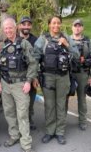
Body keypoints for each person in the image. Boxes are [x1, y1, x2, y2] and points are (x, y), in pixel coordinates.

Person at [0, 18, 38, 152]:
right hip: (5, 83)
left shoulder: (24, 44)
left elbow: (33, 64)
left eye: (10, 28)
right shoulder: (2, 45)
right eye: (5, 28)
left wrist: (28, 81)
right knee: (9, 112)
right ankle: (14, 135)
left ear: (16, 28)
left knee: (22, 115)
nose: (8, 30)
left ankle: (26, 145)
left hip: (20, 84)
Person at [34, 15, 79, 145]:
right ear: (49, 25)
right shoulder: (43, 39)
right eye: (53, 23)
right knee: (49, 105)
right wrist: (35, 76)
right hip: (48, 77)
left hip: (63, 77)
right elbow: (35, 57)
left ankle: (60, 132)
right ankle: (49, 131)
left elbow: (76, 55)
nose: (56, 25)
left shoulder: (67, 38)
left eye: (58, 23)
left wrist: (67, 45)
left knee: (61, 105)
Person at [69, 18, 91, 131]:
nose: (77, 28)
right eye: (75, 25)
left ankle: (82, 121)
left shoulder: (89, 42)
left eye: (79, 26)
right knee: (65, 99)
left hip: (83, 74)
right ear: (72, 27)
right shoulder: (66, 40)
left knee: (82, 99)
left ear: (82, 28)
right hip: (69, 74)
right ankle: (62, 122)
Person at [18, 16, 38, 130]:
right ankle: (21, 123)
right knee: (20, 102)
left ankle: (29, 120)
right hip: (19, 76)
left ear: (31, 26)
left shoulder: (35, 40)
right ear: (20, 26)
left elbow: (37, 60)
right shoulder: (15, 39)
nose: (26, 26)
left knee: (30, 101)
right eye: (23, 24)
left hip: (31, 75)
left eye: (28, 24)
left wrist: (35, 77)